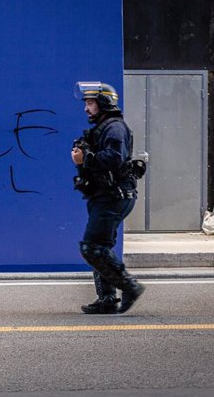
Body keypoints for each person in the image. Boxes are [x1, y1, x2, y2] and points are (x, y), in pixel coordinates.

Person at [71, 81, 145, 314]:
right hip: (105, 195)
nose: (86, 108)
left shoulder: (114, 128)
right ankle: (107, 299)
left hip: (114, 196)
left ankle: (129, 286)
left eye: (90, 103)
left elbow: (114, 158)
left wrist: (86, 159)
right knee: (100, 246)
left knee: (92, 247)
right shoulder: (104, 127)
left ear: (103, 103)